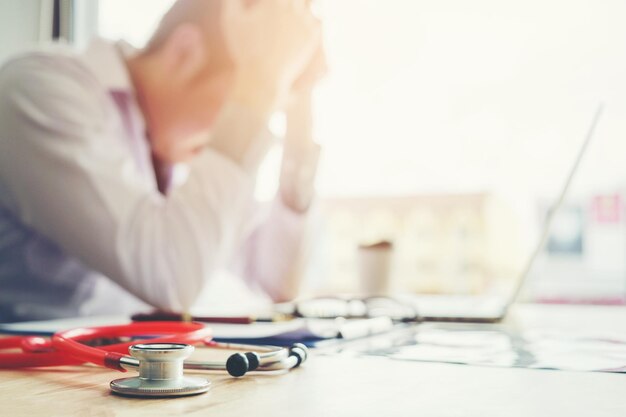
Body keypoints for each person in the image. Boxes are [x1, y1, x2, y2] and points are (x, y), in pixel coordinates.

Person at [0, 0, 325, 321]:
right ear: (185, 53)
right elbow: (171, 276)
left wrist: (300, 119)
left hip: (118, 366)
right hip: (29, 367)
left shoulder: (177, 149)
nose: (248, 120)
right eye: (241, 98)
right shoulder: (41, 89)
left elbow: (276, 285)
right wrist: (258, 85)